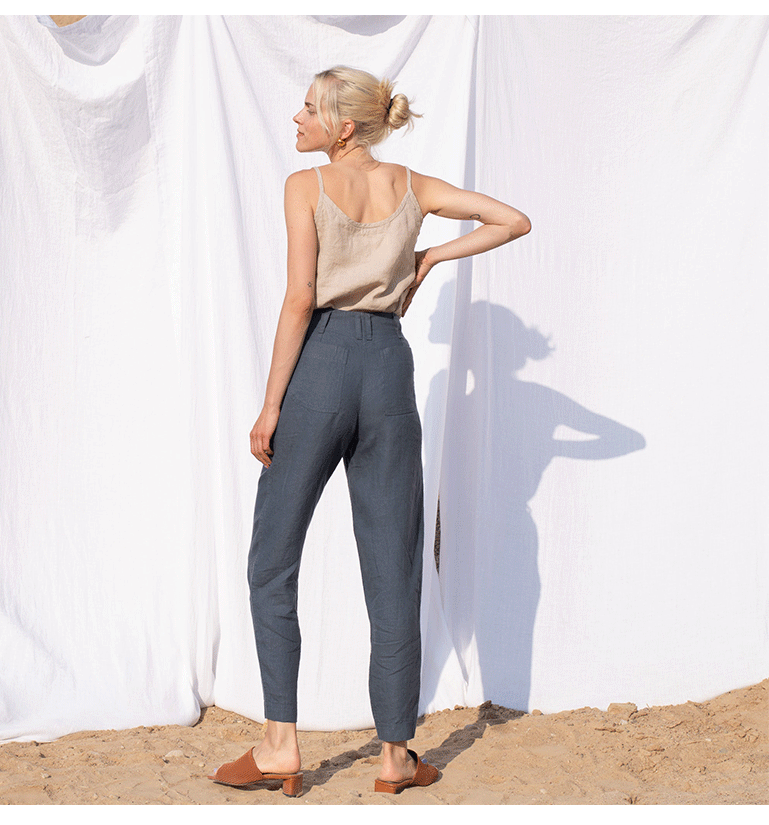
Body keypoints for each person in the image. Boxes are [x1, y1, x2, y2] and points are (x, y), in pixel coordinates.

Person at [208, 66, 531, 798]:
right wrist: (428, 257)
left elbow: (300, 298)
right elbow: (513, 220)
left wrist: (270, 405)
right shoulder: (413, 187)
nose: (297, 118)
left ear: (343, 125)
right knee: (393, 563)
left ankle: (280, 745)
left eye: (309, 108)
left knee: (273, 559)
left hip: (320, 368)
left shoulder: (305, 187)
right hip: (387, 367)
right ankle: (395, 757)